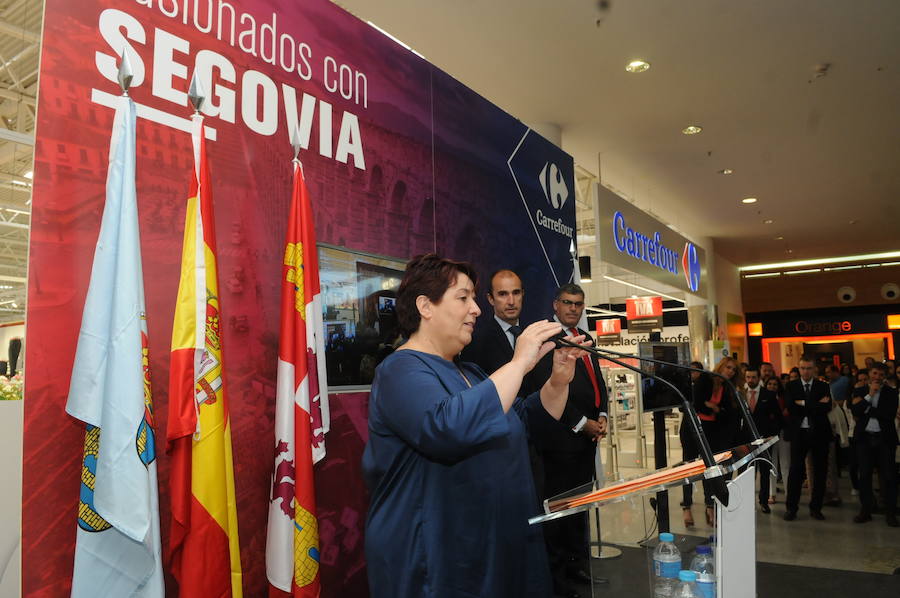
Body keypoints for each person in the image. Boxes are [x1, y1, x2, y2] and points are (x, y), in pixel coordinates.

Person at [362, 254, 587, 598]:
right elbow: (447, 428)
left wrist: (558, 381)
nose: (477, 309)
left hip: (494, 549)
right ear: (426, 306)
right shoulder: (399, 370)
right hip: (438, 560)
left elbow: (524, 424)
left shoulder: (472, 373)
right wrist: (521, 362)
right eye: (463, 298)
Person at [529, 283, 608, 598]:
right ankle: (559, 581)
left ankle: (577, 568)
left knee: (579, 511)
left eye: (578, 303)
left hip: (586, 445)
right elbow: (545, 390)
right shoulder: (547, 341)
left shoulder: (586, 339)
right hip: (561, 444)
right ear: (555, 304)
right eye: (567, 302)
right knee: (559, 516)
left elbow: (597, 383)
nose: (574, 308)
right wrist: (581, 423)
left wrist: (601, 415)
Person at [693, 356, 742, 525]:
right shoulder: (706, 379)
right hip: (703, 429)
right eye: (728, 367)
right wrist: (712, 407)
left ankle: (720, 503)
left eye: (733, 369)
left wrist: (714, 407)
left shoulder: (728, 386)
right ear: (720, 366)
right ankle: (709, 506)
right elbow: (697, 403)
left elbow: (727, 411)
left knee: (722, 469)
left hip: (721, 432)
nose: (730, 371)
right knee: (709, 469)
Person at [783, 356, 833, 521]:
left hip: (819, 433)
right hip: (799, 433)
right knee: (795, 471)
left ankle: (816, 508)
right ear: (799, 368)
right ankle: (791, 508)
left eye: (809, 368)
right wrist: (814, 405)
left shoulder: (823, 386)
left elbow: (826, 407)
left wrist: (803, 404)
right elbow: (791, 408)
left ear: (814, 369)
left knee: (820, 472)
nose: (805, 371)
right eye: (803, 368)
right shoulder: (791, 386)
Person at [850, 362, 899, 527]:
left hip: (884, 439)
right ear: (870, 374)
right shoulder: (860, 390)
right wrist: (870, 396)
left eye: (880, 375)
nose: (877, 377)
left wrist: (866, 408)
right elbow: (855, 412)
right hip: (864, 439)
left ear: (884, 376)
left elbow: (888, 414)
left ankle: (890, 512)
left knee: (889, 476)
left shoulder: (892, 392)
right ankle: (866, 510)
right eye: (875, 373)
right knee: (864, 475)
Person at [743, 366, 783, 513]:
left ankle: (763, 501)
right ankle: (746, 501)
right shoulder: (740, 394)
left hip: (765, 439)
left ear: (758, 378)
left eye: (753, 377)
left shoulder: (769, 395)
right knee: (746, 472)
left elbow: (778, 417)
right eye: (748, 377)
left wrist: (774, 434)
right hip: (745, 440)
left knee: (765, 470)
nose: (751, 380)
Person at [680, 360, 705, 527]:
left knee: (706, 467)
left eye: (695, 371)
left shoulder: (706, 387)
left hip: (705, 430)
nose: (692, 374)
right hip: (688, 430)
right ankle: (686, 505)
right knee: (688, 468)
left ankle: (709, 504)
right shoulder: (685, 387)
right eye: (690, 371)